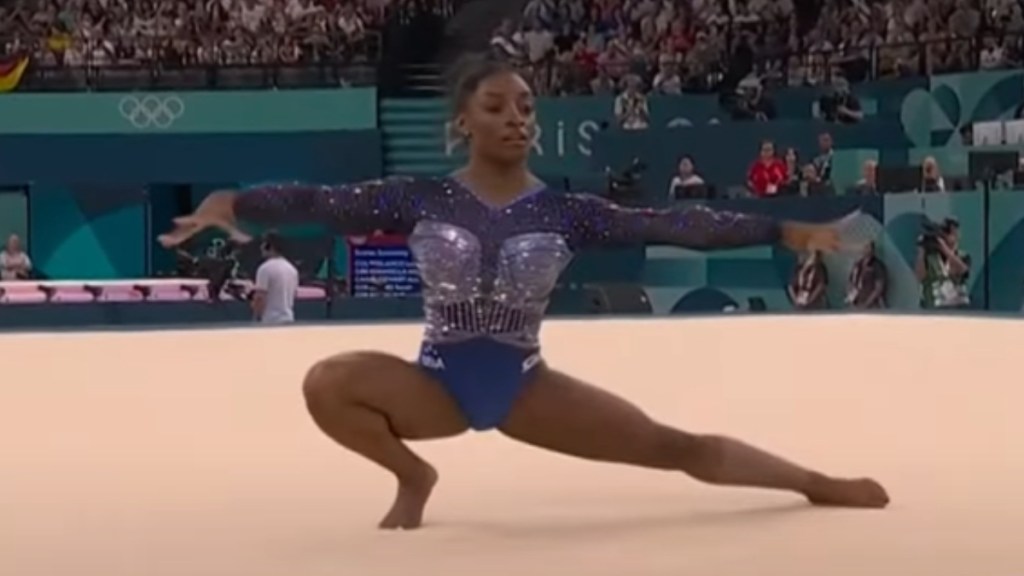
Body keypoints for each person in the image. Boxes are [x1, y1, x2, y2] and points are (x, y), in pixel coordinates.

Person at [159, 54, 889, 530]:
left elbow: (676, 222)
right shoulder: (416, 198)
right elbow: (319, 200)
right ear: (462, 123)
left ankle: (816, 482)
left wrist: (785, 231)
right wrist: (233, 202)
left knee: (675, 446)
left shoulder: (567, 212)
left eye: (527, 108)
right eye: (498, 107)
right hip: (436, 381)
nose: (517, 118)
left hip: (526, 383)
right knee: (327, 382)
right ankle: (414, 473)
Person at [252, 230, 299, 324]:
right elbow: (294, 295)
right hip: (288, 319)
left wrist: (256, 318)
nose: (261, 247)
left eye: (263, 244)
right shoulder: (292, 269)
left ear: (269, 246)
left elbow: (260, 297)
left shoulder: (265, 269)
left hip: (270, 321)